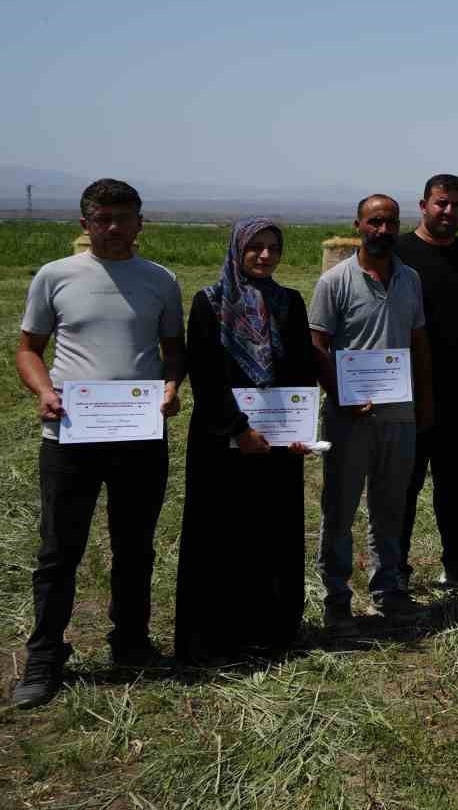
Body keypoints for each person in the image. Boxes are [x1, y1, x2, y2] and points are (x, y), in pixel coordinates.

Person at [12, 179, 186, 709]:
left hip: (138, 436)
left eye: (124, 218)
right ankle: (44, 655)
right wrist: (43, 391)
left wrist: (173, 386)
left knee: (135, 546)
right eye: (102, 218)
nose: (113, 228)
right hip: (70, 435)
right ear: (85, 223)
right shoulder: (55, 276)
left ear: (140, 222)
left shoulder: (161, 280)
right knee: (59, 551)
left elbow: (173, 349)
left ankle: (130, 642)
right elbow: (28, 349)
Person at [175, 217, 317, 664]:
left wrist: (298, 432)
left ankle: (271, 631)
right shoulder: (209, 303)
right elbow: (205, 375)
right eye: (255, 246)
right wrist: (238, 428)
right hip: (222, 442)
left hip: (275, 446)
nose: (265, 255)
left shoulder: (290, 302)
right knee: (220, 533)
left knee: (272, 533)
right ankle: (215, 635)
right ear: (237, 249)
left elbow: (300, 374)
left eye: (273, 247)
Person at [310, 194, 434, 635]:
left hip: (399, 414)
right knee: (340, 508)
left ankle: (388, 590)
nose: (383, 230)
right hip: (349, 417)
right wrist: (339, 395)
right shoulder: (335, 282)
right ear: (359, 224)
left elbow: (418, 343)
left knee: (390, 506)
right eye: (375, 222)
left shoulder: (411, 279)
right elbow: (318, 347)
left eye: (390, 223)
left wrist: (425, 399)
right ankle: (337, 598)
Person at [394, 174, 458, 589]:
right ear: (423, 205)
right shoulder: (398, 253)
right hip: (408, 396)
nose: (448, 212)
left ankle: (457, 564)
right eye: (441, 203)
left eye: (456, 206)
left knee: (454, 488)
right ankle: (394, 570)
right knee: (405, 489)